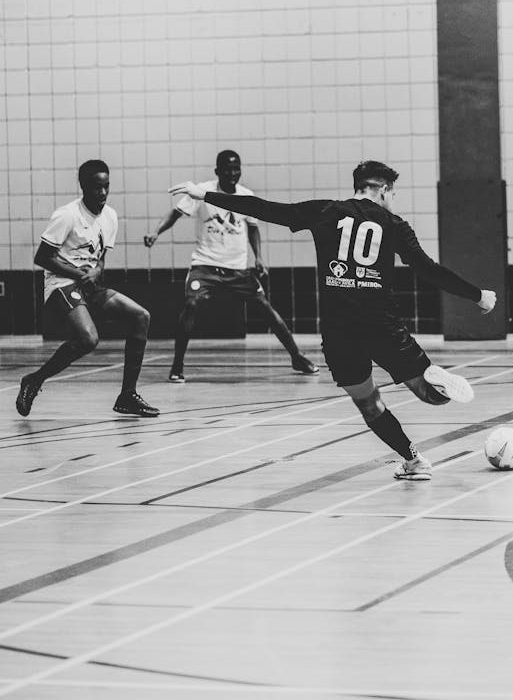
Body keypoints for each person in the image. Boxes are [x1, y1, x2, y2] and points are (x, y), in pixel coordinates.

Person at [168, 160, 496, 480]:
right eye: (393, 194)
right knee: (429, 395)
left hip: (339, 333)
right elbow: (429, 270)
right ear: (383, 189)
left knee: (370, 404)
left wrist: (205, 195)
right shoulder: (394, 225)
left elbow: (265, 208)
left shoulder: (325, 211)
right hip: (383, 325)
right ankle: (431, 378)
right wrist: (476, 295)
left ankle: (413, 460)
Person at [144, 149, 318, 382]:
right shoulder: (202, 192)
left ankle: (297, 357)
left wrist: (258, 258)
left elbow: (253, 229)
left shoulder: (246, 195)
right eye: (227, 169)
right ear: (218, 171)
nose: (232, 173)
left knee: (266, 308)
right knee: (191, 303)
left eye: (236, 169)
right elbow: (174, 214)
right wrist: (155, 232)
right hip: (205, 266)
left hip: (238, 270)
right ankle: (177, 366)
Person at [16, 160, 159, 418]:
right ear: (83, 187)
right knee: (88, 339)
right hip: (61, 284)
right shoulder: (67, 215)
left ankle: (127, 395)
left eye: (106, 187)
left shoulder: (110, 216)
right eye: (96, 188)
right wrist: (81, 274)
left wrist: (97, 270)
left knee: (141, 316)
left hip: (90, 284)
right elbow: (42, 257)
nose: (102, 194)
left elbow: (101, 258)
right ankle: (34, 380)